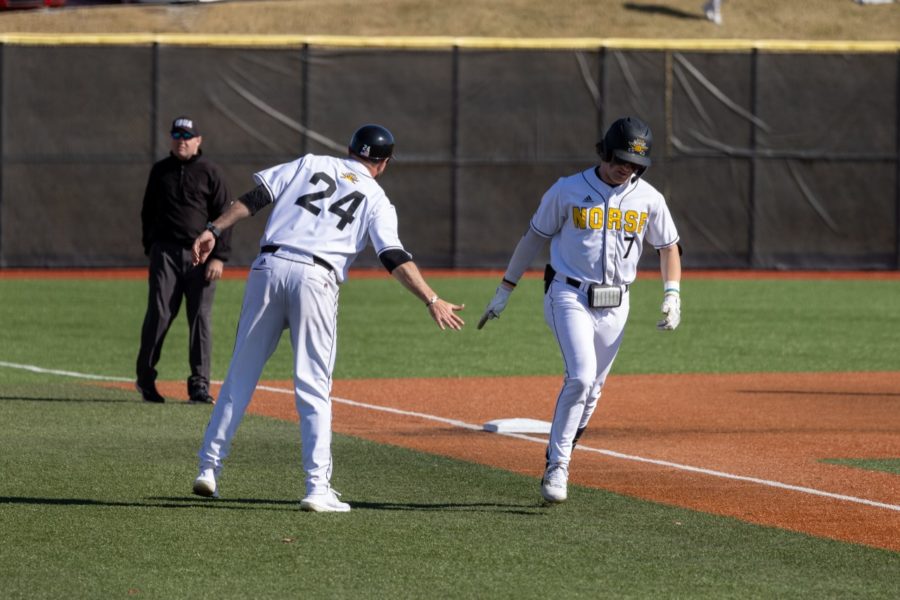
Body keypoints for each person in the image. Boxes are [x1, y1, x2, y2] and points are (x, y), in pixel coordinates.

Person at [189, 124, 465, 512]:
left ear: (349, 149)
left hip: (269, 266)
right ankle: (317, 488)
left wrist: (213, 229)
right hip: (316, 278)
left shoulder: (311, 162)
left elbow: (255, 198)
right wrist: (431, 298)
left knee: (241, 373)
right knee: (313, 385)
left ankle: (208, 468)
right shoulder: (377, 197)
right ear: (383, 163)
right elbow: (392, 256)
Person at [478, 116, 682, 504]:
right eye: (621, 159)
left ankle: (562, 452)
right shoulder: (567, 189)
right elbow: (533, 238)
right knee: (582, 376)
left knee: (594, 391)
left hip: (617, 303)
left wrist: (673, 294)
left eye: (636, 163)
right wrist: (506, 288)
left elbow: (669, 245)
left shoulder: (649, 197)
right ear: (605, 151)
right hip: (568, 294)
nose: (627, 168)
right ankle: (558, 464)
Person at [136, 116, 234, 404]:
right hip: (165, 253)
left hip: (200, 256)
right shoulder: (161, 171)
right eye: (177, 134)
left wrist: (219, 257)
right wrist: (151, 248)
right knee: (159, 314)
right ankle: (145, 379)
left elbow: (225, 216)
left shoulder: (209, 172)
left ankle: (199, 385)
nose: (182, 140)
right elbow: (147, 212)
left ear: (198, 140)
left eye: (187, 135)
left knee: (200, 318)